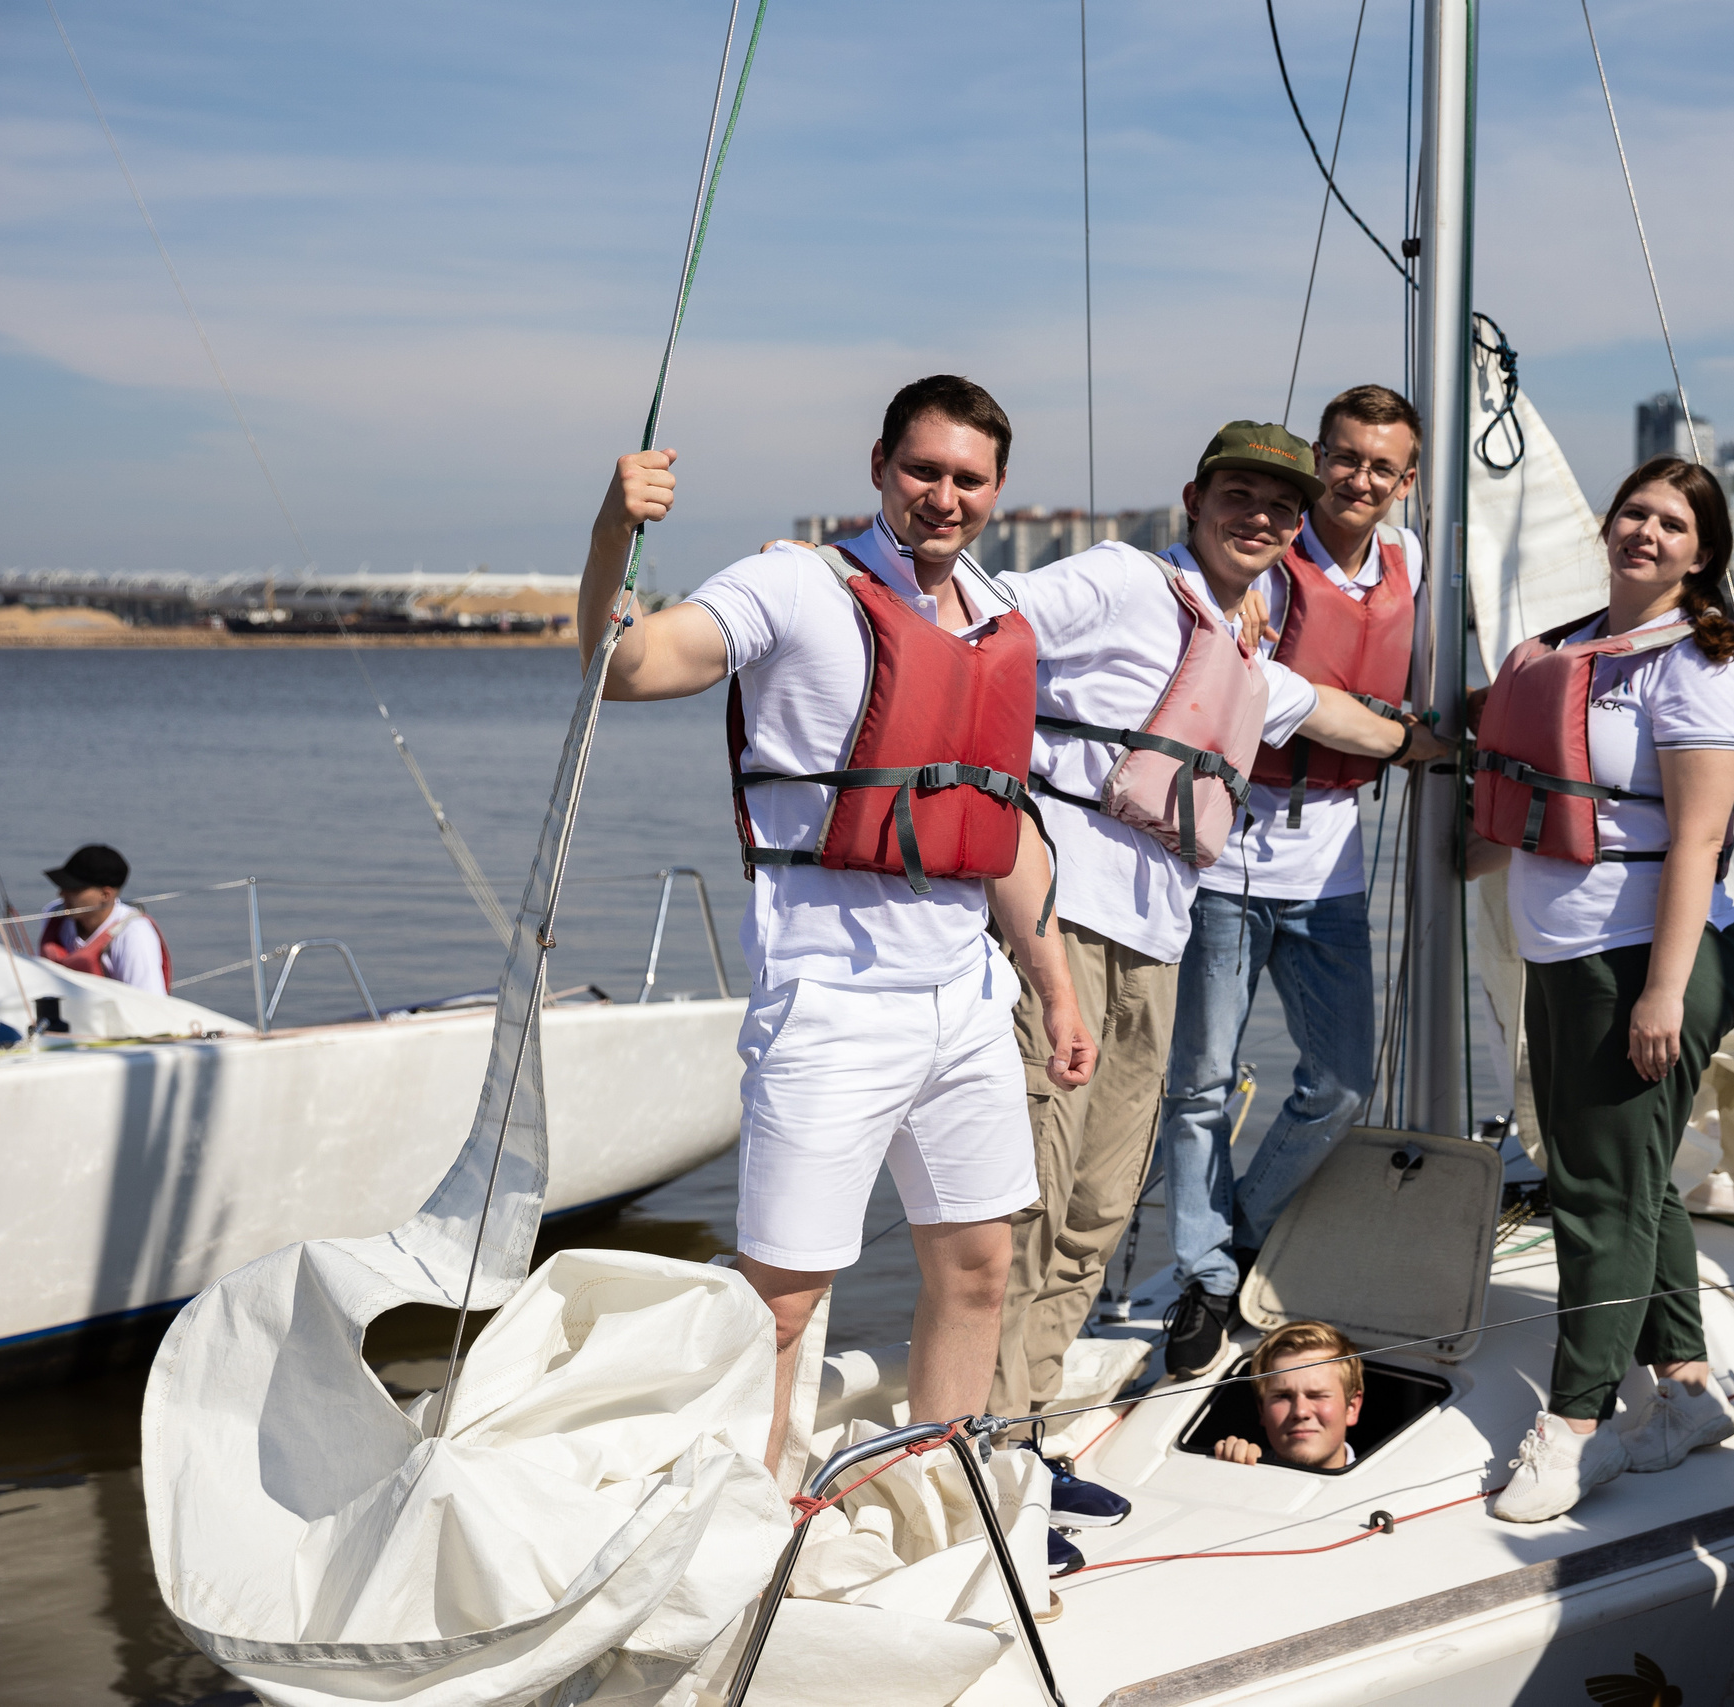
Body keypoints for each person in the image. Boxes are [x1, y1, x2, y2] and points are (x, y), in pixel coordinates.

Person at [581, 375, 1096, 1477]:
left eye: (968, 479)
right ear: (878, 466)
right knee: (781, 1303)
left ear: (998, 491)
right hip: (829, 1002)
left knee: (978, 1270)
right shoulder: (792, 585)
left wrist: (1053, 986)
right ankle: (743, 1526)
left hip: (966, 1001)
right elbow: (623, 668)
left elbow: (999, 832)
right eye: (923, 471)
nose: (942, 498)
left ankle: (935, 1491)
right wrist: (612, 529)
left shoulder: (1000, 621)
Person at [989, 419, 1443, 1453]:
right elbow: (980, 616)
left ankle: (1024, 1440)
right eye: (1238, 496)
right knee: (1035, 1196)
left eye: (1280, 508)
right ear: (1193, 499)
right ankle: (983, 1436)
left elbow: (1326, 712)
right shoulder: (1117, 579)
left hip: (1153, 937)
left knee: (1098, 1209)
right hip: (1062, 925)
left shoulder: (1240, 645)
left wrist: (1432, 743)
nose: (1261, 519)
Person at [1462, 455, 1734, 1524]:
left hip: (1642, 958)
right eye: (1635, 512)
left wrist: (1660, 995)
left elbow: (1697, 838)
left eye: (1673, 524)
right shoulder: (1568, 647)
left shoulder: (1702, 667)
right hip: (1567, 952)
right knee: (1625, 1176)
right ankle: (1684, 1392)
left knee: (1595, 1195)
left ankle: (1576, 1424)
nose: (1647, 533)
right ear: (1606, 522)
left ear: (1703, 553)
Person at [1157, 384, 1425, 1378]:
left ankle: (1235, 1232)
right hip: (1226, 851)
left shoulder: (1412, 568)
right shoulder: (1264, 566)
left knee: (1341, 1082)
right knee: (1200, 1084)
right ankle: (1202, 1276)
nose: (1357, 479)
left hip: (1331, 864)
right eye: (1342, 458)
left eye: (1379, 465)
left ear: (1405, 481)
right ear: (1320, 460)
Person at [1210, 1321, 1365, 1471]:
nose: (1300, 1412)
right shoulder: (1234, 1469)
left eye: (1316, 1395)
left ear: (1352, 1408)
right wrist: (1227, 1474)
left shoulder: (1382, 1492)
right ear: (1262, 1410)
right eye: (1283, 1396)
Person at [38, 844, 172, 992]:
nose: (61, 894)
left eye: (74, 889)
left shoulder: (135, 934)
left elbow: (150, 1003)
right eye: (63, 886)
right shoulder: (55, 914)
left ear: (105, 895)